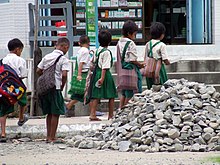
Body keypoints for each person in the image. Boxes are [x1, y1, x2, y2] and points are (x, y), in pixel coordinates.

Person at [36, 37, 70, 143]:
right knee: (55, 113)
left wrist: (45, 78)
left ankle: (48, 136)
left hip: (45, 88)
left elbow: (38, 70)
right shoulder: (63, 59)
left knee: (49, 113)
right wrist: (62, 85)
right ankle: (52, 137)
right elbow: (64, 74)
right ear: (65, 47)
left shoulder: (47, 56)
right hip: (55, 87)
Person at [0, 38, 28, 142]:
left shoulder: (3, 60)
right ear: (17, 49)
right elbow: (23, 75)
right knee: (23, 102)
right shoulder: (20, 60)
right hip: (17, 88)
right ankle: (21, 118)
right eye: (21, 50)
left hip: (4, 89)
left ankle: (3, 133)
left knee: (3, 111)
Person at [88, 30, 117, 121]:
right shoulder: (107, 52)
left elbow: (92, 62)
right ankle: (111, 115)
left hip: (97, 73)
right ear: (109, 41)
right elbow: (105, 66)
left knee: (96, 95)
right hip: (105, 74)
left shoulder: (97, 50)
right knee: (111, 95)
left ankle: (92, 114)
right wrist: (102, 78)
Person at [117, 20, 145, 109]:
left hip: (122, 70)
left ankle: (120, 110)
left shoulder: (119, 42)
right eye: (134, 34)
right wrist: (140, 65)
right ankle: (126, 110)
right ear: (129, 33)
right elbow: (132, 59)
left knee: (124, 92)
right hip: (130, 70)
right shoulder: (131, 43)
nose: (135, 36)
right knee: (131, 92)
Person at [66, 35, 90, 110]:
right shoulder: (85, 51)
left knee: (82, 94)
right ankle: (69, 105)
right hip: (83, 74)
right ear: (88, 43)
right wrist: (79, 75)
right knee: (84, 93)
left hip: (80, 72)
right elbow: (81, 63)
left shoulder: (80, 50)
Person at [144, 22, 170, 89]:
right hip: (159, 69)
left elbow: (145, 56)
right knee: (162, 85)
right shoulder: (162, 45)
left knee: (150, 87)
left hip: (149, 68)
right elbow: (165, 58)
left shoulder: (148, 44)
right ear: (162, 35)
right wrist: (168, 62)